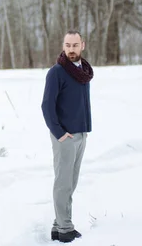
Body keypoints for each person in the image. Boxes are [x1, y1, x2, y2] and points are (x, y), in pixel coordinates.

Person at [41, 30, 94, 243]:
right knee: (63, 183)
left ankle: (58, 225)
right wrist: (60, 133)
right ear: (63, 46)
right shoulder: (56, 72)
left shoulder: (84, 72)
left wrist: (83, 131)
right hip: (64, 136)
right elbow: (46, 106)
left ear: (82, 45)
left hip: (81, 133)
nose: (71, 49)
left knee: (71, 182)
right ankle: (65, 229)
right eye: (67, 45)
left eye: (75, 45)